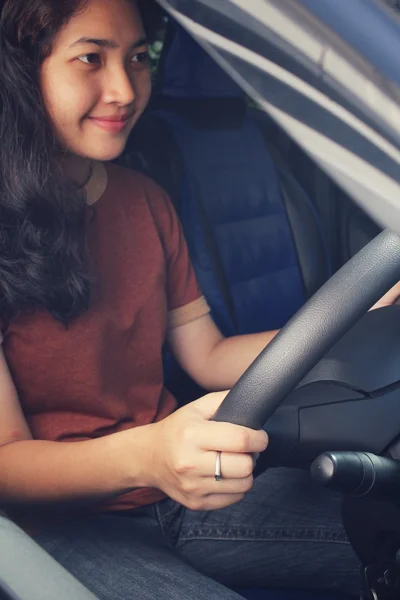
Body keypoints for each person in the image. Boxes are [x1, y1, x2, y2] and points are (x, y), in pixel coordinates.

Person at [0, 0, 397, 598]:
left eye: (137, 58)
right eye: (90, 58)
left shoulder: (144, 199)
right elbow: (5, 466)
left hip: (181, 490)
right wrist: (151, 455)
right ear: (21, 72)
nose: (125, 89)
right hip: (53, 527)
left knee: (386, 529)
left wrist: (368, 314)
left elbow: (207, 356)